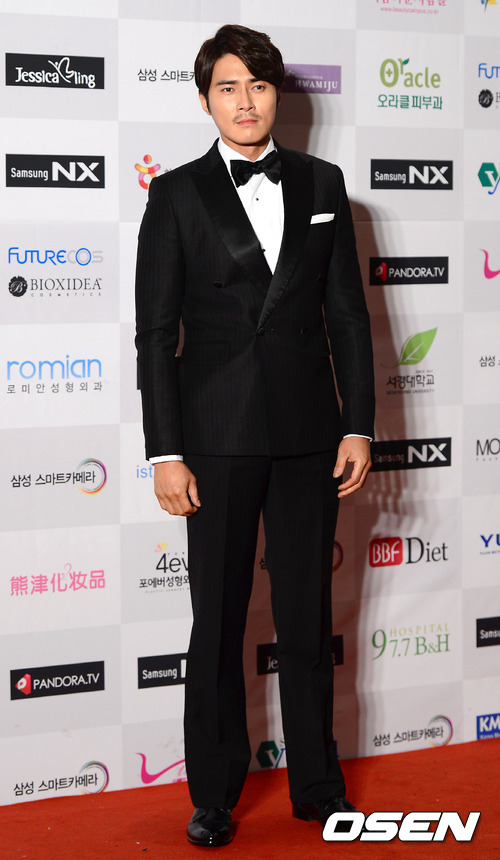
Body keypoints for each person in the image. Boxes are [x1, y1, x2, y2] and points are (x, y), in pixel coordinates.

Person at [135, 24, 375, 848]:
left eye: (260, 86)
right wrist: (166, 451)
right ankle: (213, 793)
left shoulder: (322, 182)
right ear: (206, 99)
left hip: (310, 435)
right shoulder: (176, 194)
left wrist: (358, 424)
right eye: (229, 87)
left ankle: (318, 786)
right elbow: (155, 334)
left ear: (279, 95)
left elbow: (347, 316)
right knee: (217, 622)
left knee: (308, 618)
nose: (246, 102)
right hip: (215, 438)